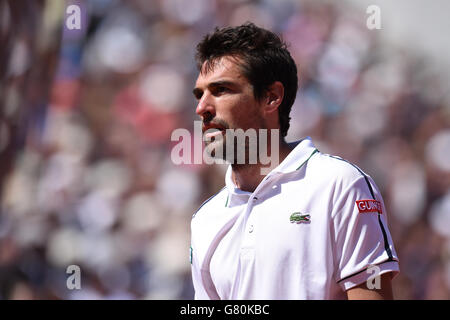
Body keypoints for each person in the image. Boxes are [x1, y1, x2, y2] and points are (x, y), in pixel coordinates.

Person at [190, 23, 399, 300]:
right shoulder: (205, 219)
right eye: (200, 93)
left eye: (221, 90)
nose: (201, 107)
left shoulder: (340, 185)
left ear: (271, 97)